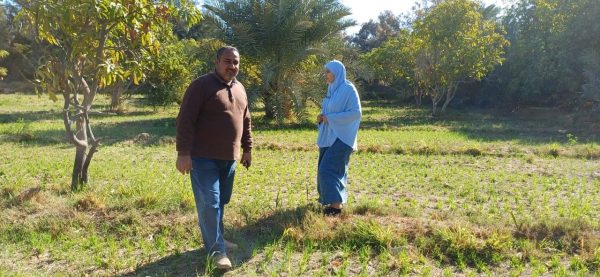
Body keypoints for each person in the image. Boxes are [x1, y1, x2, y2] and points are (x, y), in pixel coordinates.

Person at [175, 46, 252, 270]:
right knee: (210, 202)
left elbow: (246, 119)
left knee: (221, 201)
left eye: (236, 62)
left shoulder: (240, 88)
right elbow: (185, 120)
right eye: (227, 61)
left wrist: (247, 148)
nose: (232, 66)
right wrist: (183, 153)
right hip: (202, 157)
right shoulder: (201, 86)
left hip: (230, 158)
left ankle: (217, 239)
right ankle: (217, 251)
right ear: (217, 61)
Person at [316, 60, 361, 216]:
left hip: (342, 137)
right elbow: (327, 111)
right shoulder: (331, 90)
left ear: (337, 72)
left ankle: (336, 208)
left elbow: (356, 113)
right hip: (329, 136)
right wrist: (322, 117)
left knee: (327, 169)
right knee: (329, 168)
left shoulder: (348, 89)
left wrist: (331, 118)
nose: (325, 75)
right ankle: (334, 203)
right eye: (325, 72)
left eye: (328, 72)